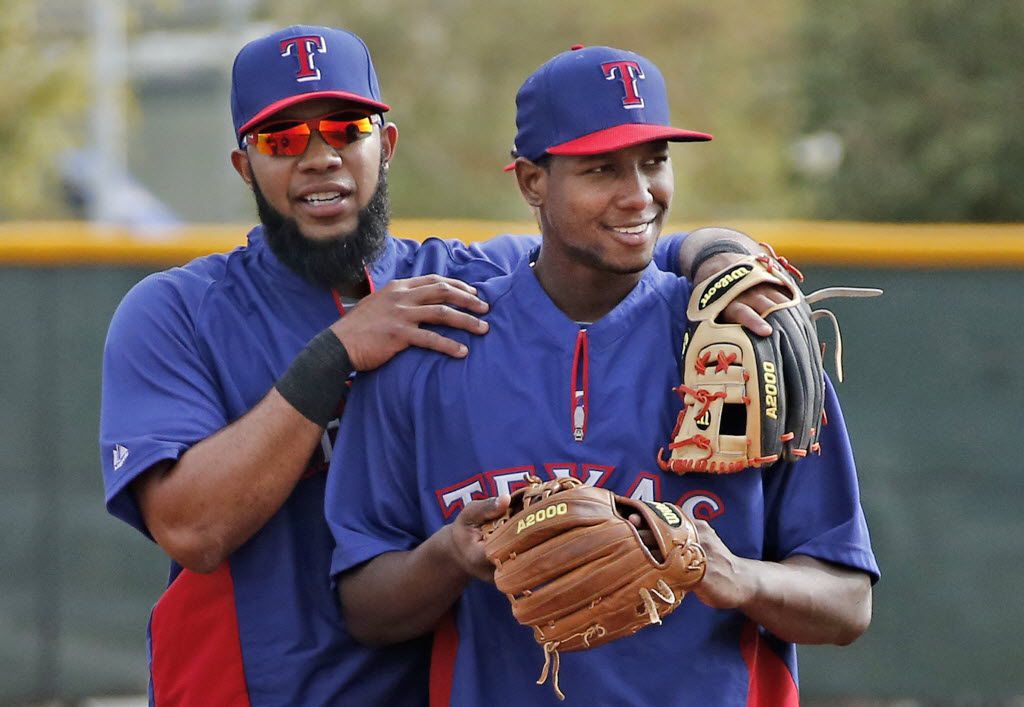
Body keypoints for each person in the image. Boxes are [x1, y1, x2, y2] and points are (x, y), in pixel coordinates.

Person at [98, 26, 780, 706]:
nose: (319, 156)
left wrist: (725, 258)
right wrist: (335, 355)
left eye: (345, 128)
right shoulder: (175, 312)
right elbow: (191, 529)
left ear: (384, 146)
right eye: (282, 140)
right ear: (245, 167)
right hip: (242, 690)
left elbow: (622, 237)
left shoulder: (462, 279)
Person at [327, 45, 878, 706]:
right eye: (602, 169)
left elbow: (847, 600)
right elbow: (364, 607)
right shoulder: (428, 355)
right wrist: (448, 557)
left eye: (655, 161)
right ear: (533, 182)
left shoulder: (747, 338)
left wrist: (738, 575)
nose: (640, 195)